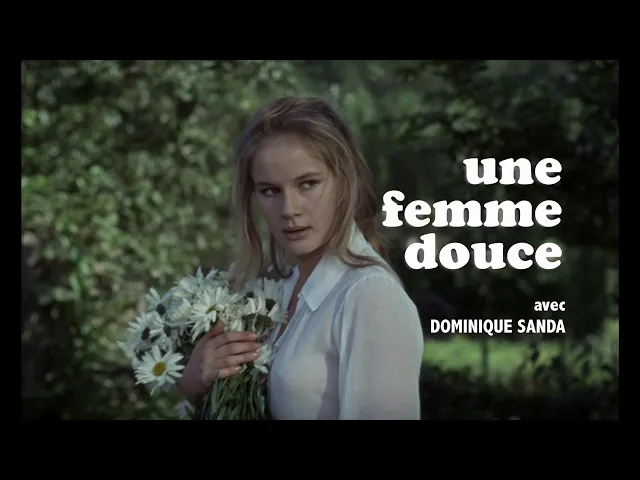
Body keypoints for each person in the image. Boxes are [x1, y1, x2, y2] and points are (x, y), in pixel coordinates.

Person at [178, 96, 424, 419]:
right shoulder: (280, 291)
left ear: (344, 182)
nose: (289, 209)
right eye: (270, 191)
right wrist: (195, 383)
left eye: (307, 183)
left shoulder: (370, 296)